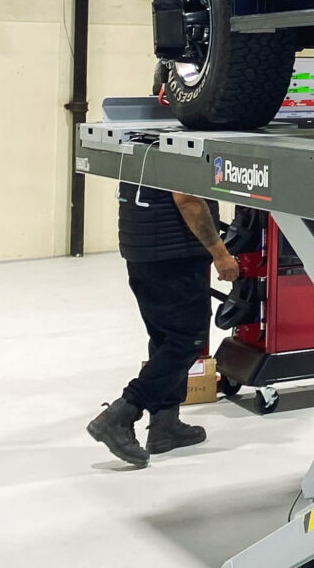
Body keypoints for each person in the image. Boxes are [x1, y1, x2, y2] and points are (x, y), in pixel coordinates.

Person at [86, 181, 237, 468]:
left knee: (165, 338)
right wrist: (220, 252)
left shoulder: (141, 138)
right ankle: (121, 413)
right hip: (175, 255)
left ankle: (165, 425)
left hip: (140, 249)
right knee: (187, 340)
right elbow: (188, 198)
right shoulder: (179, 145)